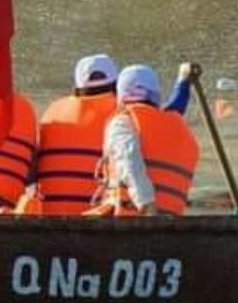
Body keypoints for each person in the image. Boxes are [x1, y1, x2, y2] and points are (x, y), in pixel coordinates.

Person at [88, 63, 202, 217]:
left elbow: (129, 162)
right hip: (172, 218)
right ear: (155, 95)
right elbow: (177, 106)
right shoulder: (172, 121)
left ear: (120, 94)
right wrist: (184, 81)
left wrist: (147, 205)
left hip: (135, 217)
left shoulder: (122, 121)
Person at [16, 54, 121, 215]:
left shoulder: (53, 110)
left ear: (77, 86)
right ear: (116, 85)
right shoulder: (122, 113)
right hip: (100, 218)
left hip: (49, 216)